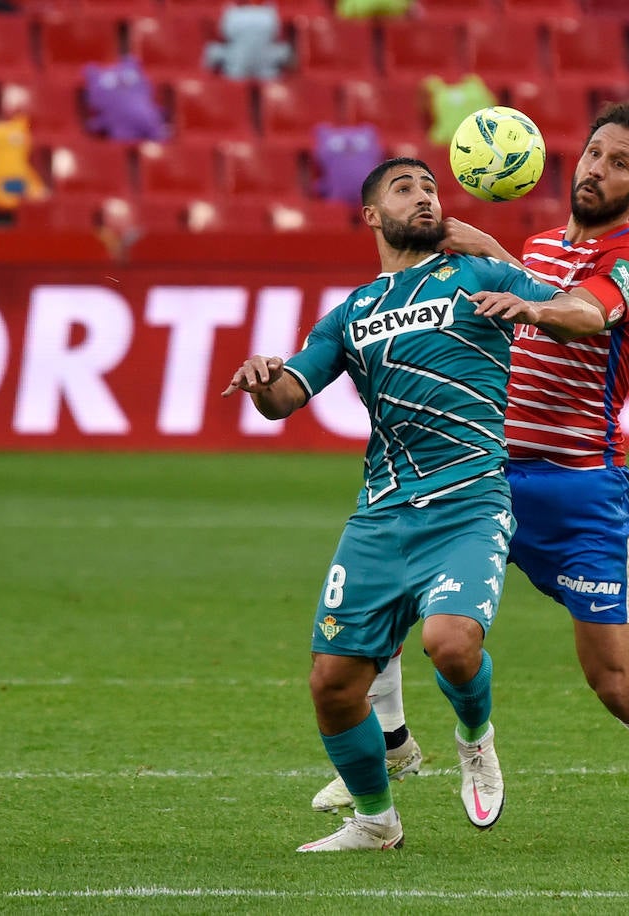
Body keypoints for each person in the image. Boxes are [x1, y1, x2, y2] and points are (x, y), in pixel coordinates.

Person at [311, 99, 629, 850]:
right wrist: (488, 253)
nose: (599, 169)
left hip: (579, 490)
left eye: (621, 164)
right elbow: (505, 284)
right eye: (596, 153)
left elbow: (585, 312)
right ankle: (393, 747)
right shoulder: (535, 248)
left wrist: (530, 303)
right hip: (486, 478)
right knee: (391, 603)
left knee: (615, 681)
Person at [222, 157, 561, 852]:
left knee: (451, 642)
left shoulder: (478, 274)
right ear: (373, 216)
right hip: (382, 514)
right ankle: (376, 821)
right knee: (332, 683)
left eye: (431, 187)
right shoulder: (350, 313)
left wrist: (510, 270)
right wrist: (263, 378)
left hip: (469, 498)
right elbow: (288, 396)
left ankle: (475, 738)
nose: (425, 196)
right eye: (405, 189)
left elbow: (580, 309)